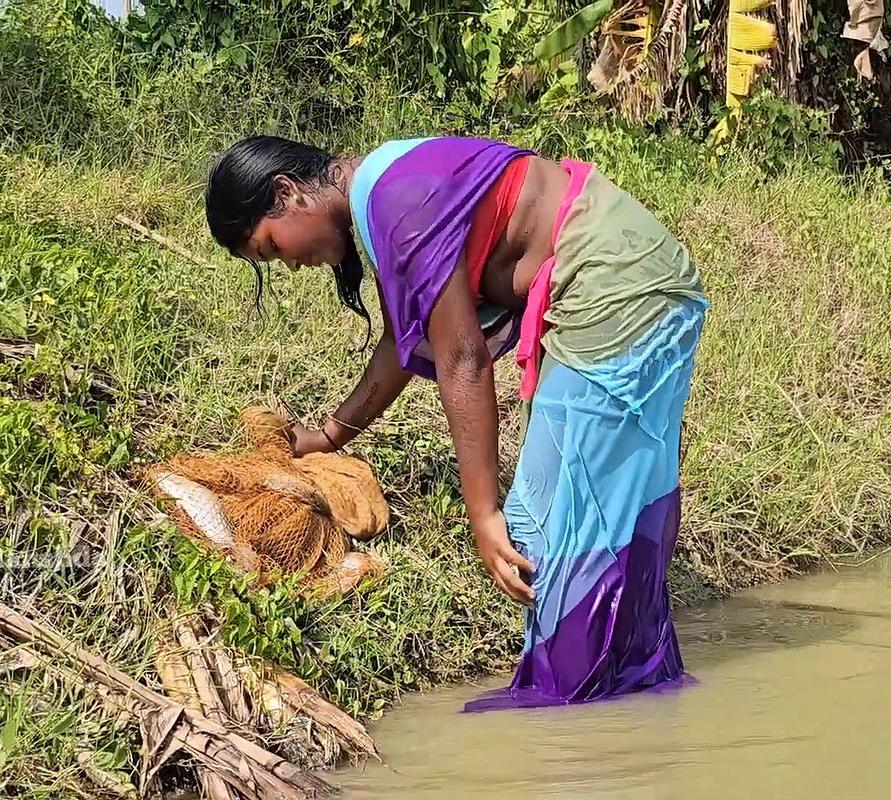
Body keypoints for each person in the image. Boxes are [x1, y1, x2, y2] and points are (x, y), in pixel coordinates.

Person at [205, 135, 707, 711]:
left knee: (540, 525)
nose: (291, 263)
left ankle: (572, 707)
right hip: (642, 271)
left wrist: (484, 514)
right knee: (621, 514)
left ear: (286, 193)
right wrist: (328, 436)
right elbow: (404, 340)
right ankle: (642, 689)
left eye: (272, 247)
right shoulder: (386, 184)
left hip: (611, 285)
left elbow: (460, 358)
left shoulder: (393, 200)